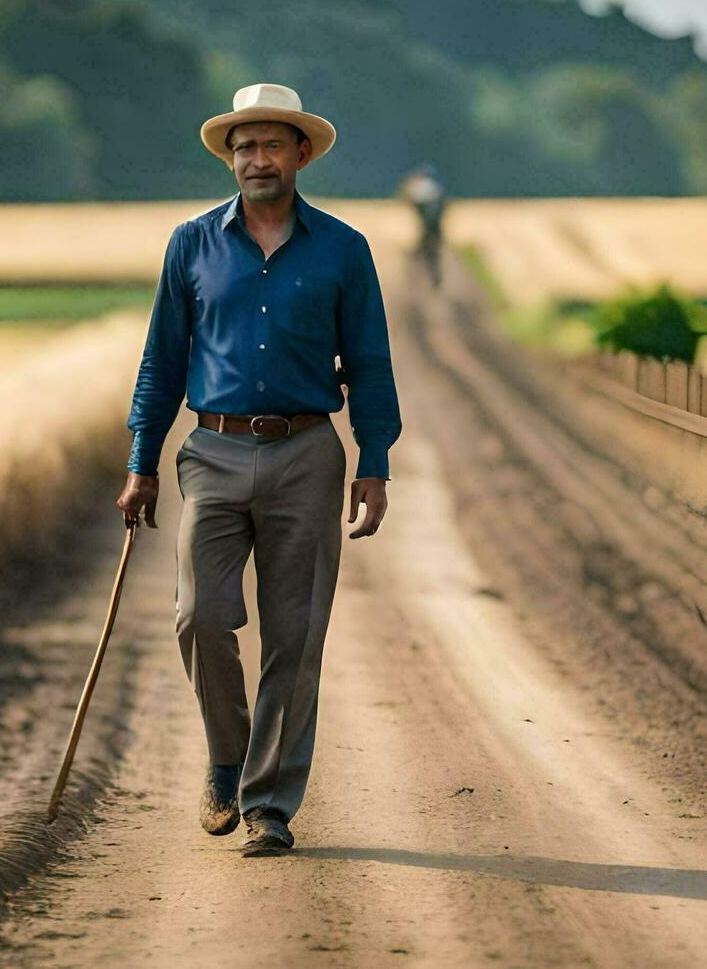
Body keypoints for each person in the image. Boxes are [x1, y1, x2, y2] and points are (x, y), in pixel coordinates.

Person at [114, 83, 402, 857]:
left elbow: (370, 363)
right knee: (199, 616)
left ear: (301, 154)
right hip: (210, 451)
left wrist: (374, 461)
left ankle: (268, 805)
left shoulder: (344, 249)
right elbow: (161, 362)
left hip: (308, 452)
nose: (256, 159)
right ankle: (226, 757)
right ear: (230, 158)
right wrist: (141, 464)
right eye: (244, 147)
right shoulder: (192, 244)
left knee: (296, 633)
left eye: (272, 145)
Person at [397, 163, 446, 286]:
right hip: (434, 228)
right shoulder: (434, 188)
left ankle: (418, 282)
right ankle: (433, 280)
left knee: (423, 254)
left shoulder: (419, 188)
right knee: (433, 254)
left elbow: (405, 197)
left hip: (428, 229)